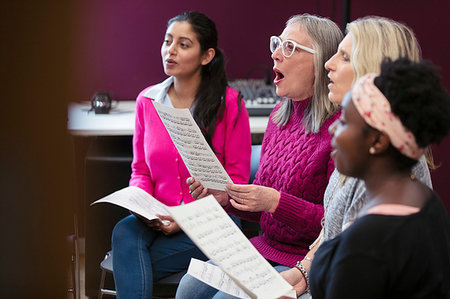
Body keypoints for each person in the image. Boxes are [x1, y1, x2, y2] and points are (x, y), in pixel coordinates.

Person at [176, 13, 343, 299]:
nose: (276, 55)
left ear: (322, 63)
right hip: (262, 247)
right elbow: (262, 207)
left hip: (305, 259)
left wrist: (275, 202)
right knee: (188, 287)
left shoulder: (340, 131)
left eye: (289, 48)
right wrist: (227, 199)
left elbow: (336, 221)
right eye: (278, 44)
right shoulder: (278, 118)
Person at [280, 16, 434, 298]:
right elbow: (332, 232)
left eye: (345, 57)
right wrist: (302, 272)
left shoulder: (387, 165)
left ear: (374, 72)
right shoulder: (362, 140)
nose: (328, 63)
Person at [110, 11, 252, 299]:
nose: (170, 50)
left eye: (183, 44)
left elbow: (235, 182)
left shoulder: (231, 104)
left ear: (206, 55)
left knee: (132, 264)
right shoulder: (147, 101)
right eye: (167, 41)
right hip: (157, 217)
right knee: (124, 231)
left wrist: (183, 218)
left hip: (213, 221)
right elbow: (141, 170)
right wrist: (141, 206)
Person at [310, 58, 450, 298]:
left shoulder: (366, 246)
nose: (333, 130)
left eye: (344, 122)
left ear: (378, 141)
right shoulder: (426, 201)